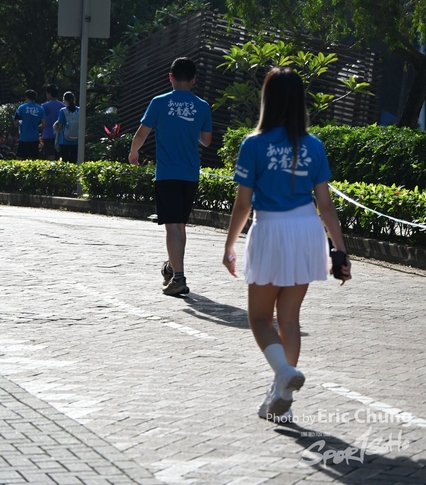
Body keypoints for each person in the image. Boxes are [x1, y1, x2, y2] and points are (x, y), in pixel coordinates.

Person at [222, 67, 351, 423]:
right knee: (290, 318)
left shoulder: (254, 144)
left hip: (271, 229)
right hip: (307, 229)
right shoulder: (314, 146)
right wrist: (340, 251)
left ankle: (283, 373)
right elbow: (326, 205)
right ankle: (283, 397)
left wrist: (229, 245)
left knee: (260, 318)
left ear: (268, 99)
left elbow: (243, 204)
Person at [128, 57, 212, 296]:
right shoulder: (202, 106)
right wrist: (189, 129)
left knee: (172, 226)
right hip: (190, 175)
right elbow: (206, 141)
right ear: (194, 79)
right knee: (180, 225)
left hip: (167, 174)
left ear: (171, 77)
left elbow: (142, 133)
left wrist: (134, 152)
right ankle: (172, 267)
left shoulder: (159, 102)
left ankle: (178, 278)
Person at [14, 89, 46, 160]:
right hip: (34, 137)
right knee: (32, 160)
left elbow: (15, 122)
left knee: (20, 159)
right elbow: (44, 124)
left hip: (23, 137)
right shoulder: (40, 109)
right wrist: (37, 129)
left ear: (26, 97)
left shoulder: (21, 108)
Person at [53, 91, 79, 163]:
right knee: (74, 160)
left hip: (64, 140)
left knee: (65, 161)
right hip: (76, 140)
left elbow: (60, 126)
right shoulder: (80, 110)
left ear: (64, 100)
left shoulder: (63, 111)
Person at [42, 85, 65, 160]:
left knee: (50, 156)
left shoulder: (44, 106)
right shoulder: (63, 106)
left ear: (49, 94)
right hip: (60, 135)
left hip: (48, 134)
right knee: (59, 156)